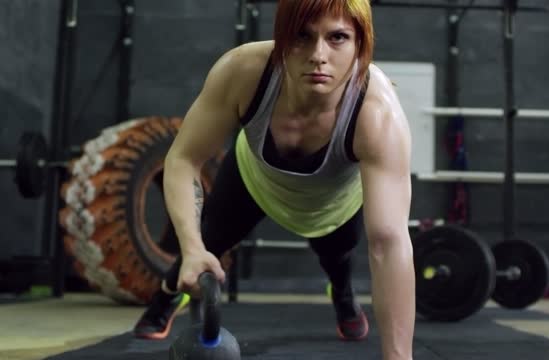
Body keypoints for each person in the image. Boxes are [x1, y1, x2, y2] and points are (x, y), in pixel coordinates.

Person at [133, 0, 415, 358]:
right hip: (254, 180)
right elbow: (184, 159)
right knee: (208, 239)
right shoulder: (243, 72)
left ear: (361, 44)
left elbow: (389, 243)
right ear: (281, 38)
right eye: (302, 36)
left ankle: (344, 300)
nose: (318, 54)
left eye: (338, 37)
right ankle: (164, 300)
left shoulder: (378, 114)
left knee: (339, 259)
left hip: (333, 203)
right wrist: (191, 248)